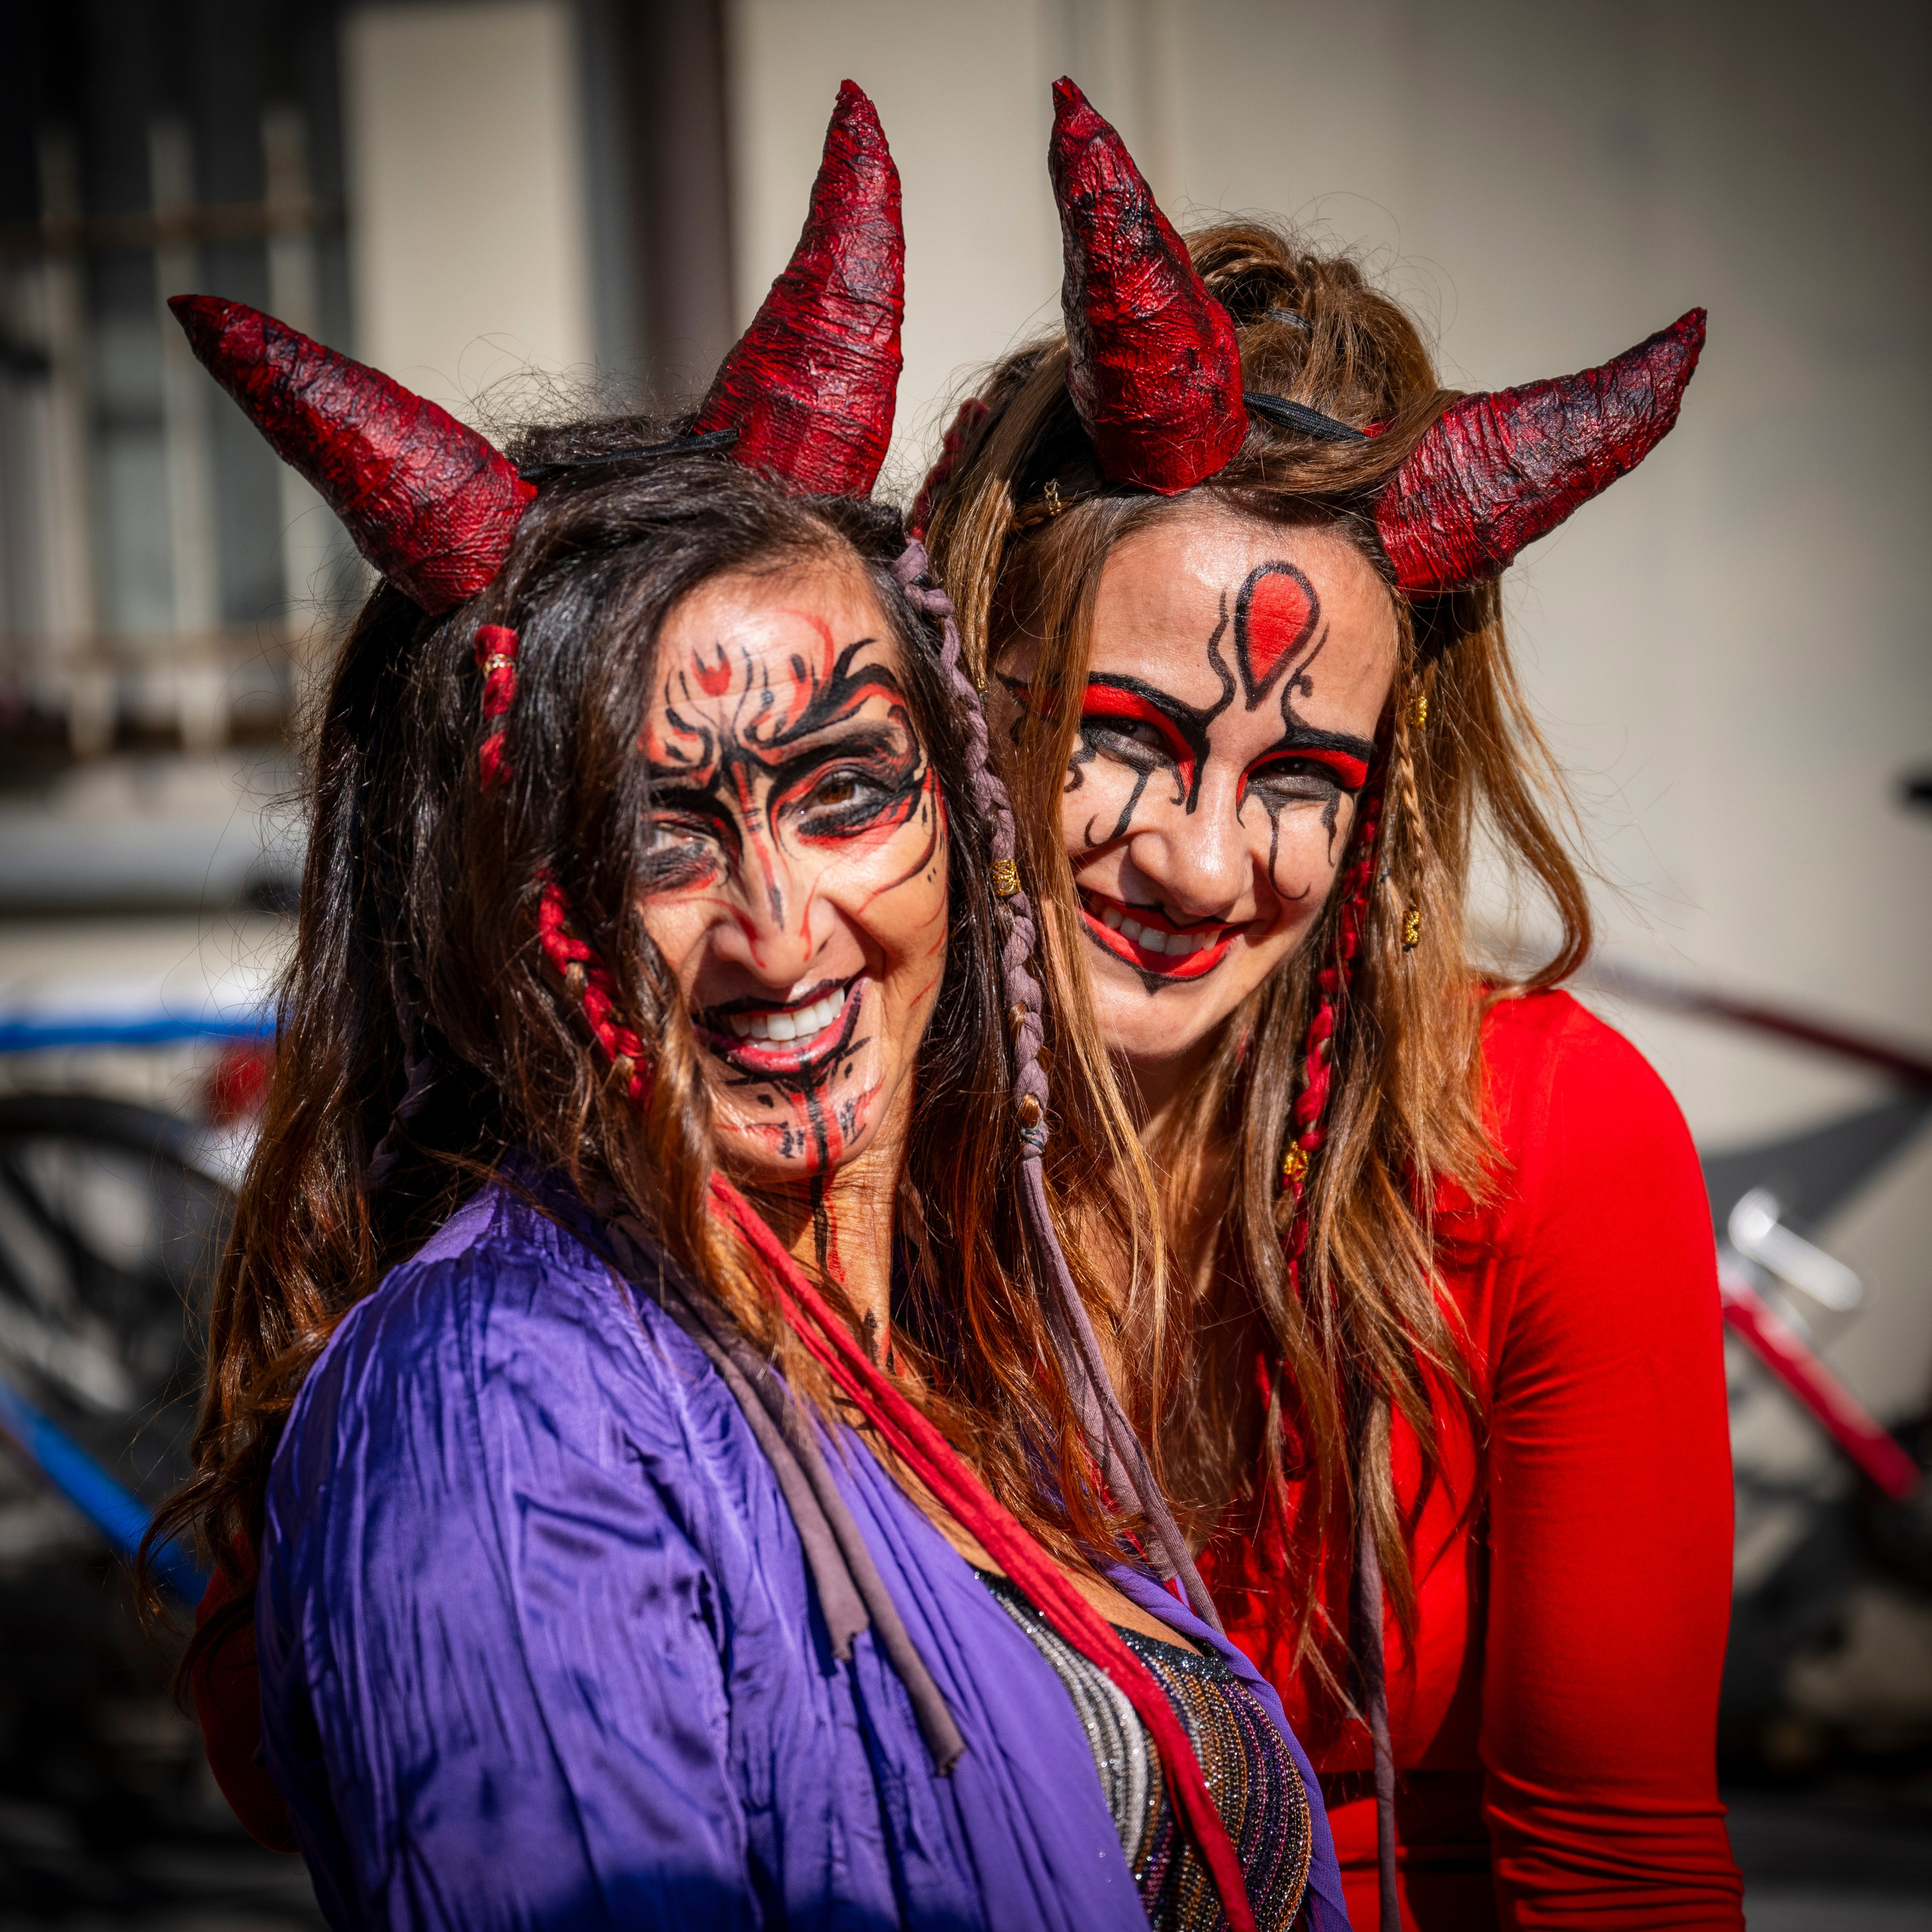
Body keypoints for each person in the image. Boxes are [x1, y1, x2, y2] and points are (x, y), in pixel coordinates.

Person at [148, 85, 1348, 1932]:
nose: (780, 927)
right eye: (659, 830)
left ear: (958, 802)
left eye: (846, 788)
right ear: (497, 907)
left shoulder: (956, 1327)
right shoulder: (495, 1416)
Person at [922, 78, 1745, 1931]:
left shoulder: (1540, 1134)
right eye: (1122, 741)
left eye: (1300, 776)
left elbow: (1614, 1870)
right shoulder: (825, 1127)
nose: (1206, 865)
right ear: (981, 687)